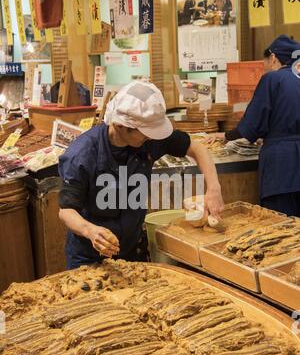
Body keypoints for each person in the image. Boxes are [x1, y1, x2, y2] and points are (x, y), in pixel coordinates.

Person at [58, 82, 224, 270]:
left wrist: (213, 188)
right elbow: (66, 211)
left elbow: (196, 148)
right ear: (121, 126)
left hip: (132, 249)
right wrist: (90, 231)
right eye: (146, 133)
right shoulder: (82, 154)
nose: (151, 138)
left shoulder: (148, 141)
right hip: (90, 254)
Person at [205, 35, 300, 217]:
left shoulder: (272, 79)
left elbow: (251, 127)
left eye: (265, 61)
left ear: (273, 58)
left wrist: (226, 136)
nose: (264, 66)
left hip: (282, 168)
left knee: (280, 228)